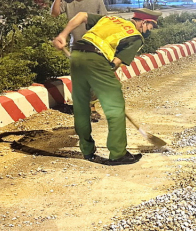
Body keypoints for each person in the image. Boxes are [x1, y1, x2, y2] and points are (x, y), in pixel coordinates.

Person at [52, 8, 160, 165]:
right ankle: (118, 153)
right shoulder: (136, 37)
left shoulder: (110, 19)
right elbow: (115, 63)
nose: (149, 31)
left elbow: (82, 15)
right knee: (115, 105)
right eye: (151, 27)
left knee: (82, 104)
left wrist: (62, 35)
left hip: (77, 55)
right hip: (97, 60)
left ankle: (87, 151)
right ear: (144, 22)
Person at [51, 0, 107, 120]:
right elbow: (55, 13)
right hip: (75, 45)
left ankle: (92, 106)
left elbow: (104, 22)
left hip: (94, 46)